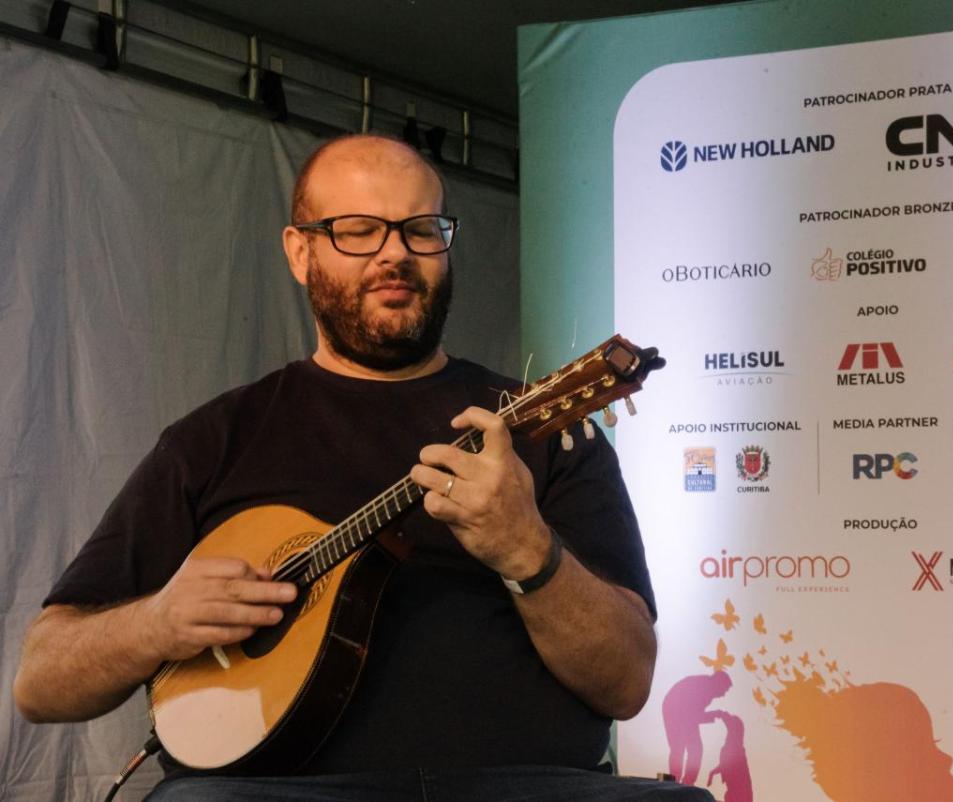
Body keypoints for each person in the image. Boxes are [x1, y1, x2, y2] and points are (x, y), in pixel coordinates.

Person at [14, 134, 711, 801]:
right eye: (357, 230)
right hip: (269, 793)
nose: (395, 254)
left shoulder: (543, 433)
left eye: (421, 229)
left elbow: (626, 683)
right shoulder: (213, 441)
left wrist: (527, 549)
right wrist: (157, 623)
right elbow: (40, 681)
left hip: (527, 783)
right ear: (299, 251)